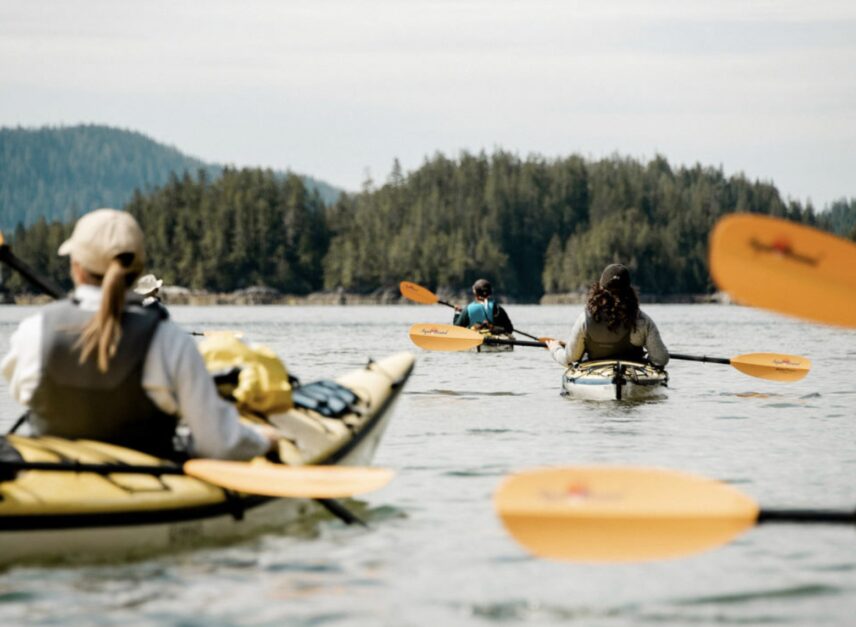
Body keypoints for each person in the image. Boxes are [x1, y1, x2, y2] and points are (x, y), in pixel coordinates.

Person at [1, 208, 279, 460]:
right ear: (138, 270)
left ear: (76, 267)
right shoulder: (169, 340)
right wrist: (263, 440)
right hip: (148, 487)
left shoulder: (33, 330)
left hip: (49, 489)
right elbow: (218, 444)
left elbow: (23, 393)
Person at [546, 263, 669, 368]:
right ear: (629, 290)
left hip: (595, 376)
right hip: (633, 376)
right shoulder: (642, 320)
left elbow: (570, 358)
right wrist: (647, 356)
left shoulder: (585, 319)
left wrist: (555, 349)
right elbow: (661, 359)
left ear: (599, 290)